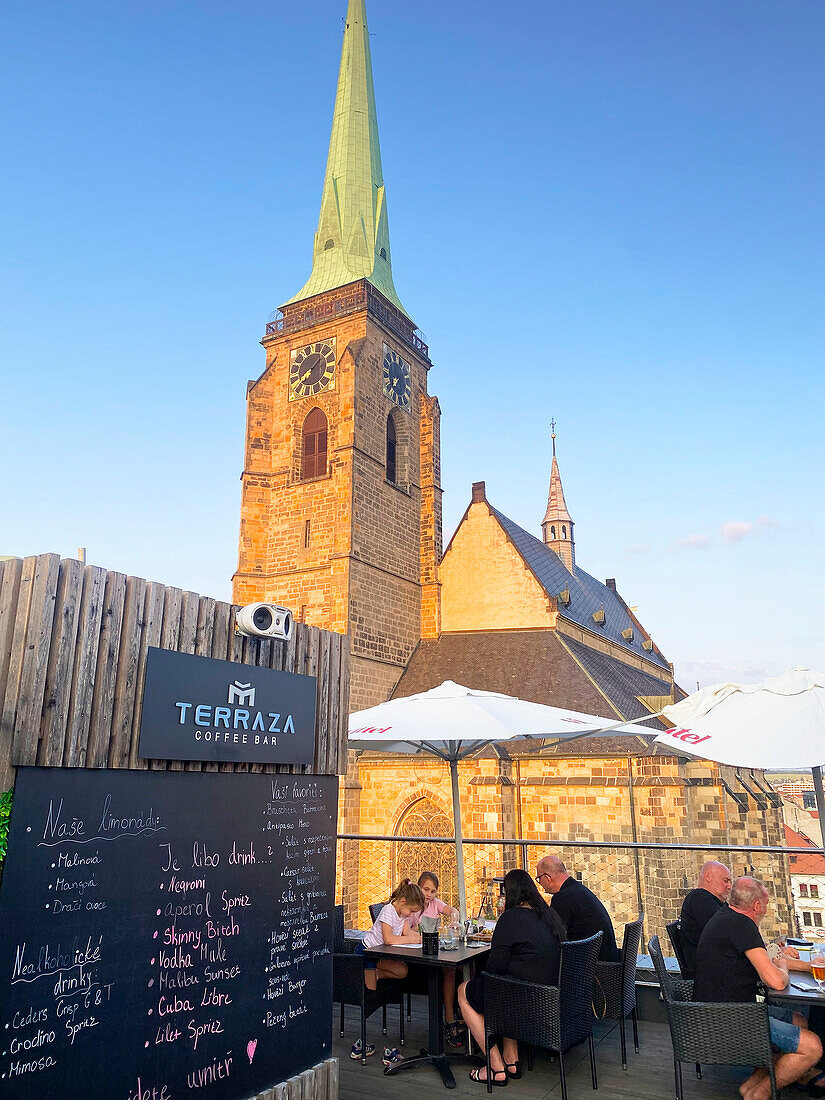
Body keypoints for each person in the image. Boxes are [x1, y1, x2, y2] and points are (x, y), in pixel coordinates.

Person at [694, 876, 822, 1100]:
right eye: (765, 904)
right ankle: (760, 1094)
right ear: (756, 906)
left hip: (716, 1012)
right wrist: (783, 968)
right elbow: (777, 981)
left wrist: (801, 965)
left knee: (798, 1020)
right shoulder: (743, 926)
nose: (765, 909)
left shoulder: (726, 917)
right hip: (730, 1020)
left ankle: (751, 1086)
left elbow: (763, 958)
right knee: (813, 1047)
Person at [458, 868, 566, 1085]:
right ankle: (511, 1059)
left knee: (464, 991)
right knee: (508, 982)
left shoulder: (510, 919)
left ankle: (495, 1067)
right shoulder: (548, 915)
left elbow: (494, 967)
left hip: (524, 999)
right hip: (551, 999)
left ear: (511, 894)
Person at [354, 879, 424, 1064]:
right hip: (368, 953)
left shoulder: (402, 915)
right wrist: (409, 940)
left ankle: (377, 973)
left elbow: (405, 933)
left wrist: (420, 937)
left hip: (382, 956)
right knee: (370, 993)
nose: (412, 914)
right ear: (402, 902)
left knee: (403, 970)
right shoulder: (388, 911)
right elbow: (388, 939)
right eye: (412, 911)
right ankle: (361, 1041)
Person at [408, 871, 465, 1047]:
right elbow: (404, 931)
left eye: (433, 891)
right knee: (449, 968)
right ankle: (449, 1017)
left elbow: (452, 910)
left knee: (458, 967)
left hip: (432, 952)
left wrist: (453, 918)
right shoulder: (411, 906)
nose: (429, 895)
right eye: (426, 889)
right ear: (418, 887)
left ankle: (459, 1013)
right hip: (413, 958)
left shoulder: (434, 904)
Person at [535, 854, 618, 961]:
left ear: (547, 878)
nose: (539, 883)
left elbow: (552, 937)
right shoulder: (579, 890)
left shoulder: (562, 898)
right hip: (605, 963)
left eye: (538, 879)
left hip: (589, 968)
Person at [679, 860, 733, 978]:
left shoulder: (713, 901)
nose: (729, 887)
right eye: (725, 881)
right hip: (710, 977)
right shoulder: (700, 899)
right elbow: (725, 935)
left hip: (715, 970)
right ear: (708, 876)